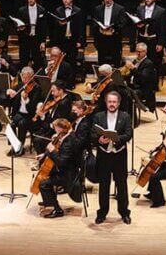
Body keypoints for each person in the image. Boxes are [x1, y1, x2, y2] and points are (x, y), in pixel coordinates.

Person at [92, 90, 132, 224]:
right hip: (104, 155)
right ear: (106, 102)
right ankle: (102, 213)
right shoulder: (98, 116)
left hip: (119, 155)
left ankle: (124, 212)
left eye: (114, 102)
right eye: (109, 101)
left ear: (119, 103)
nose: (112, 104)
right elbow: (92, 134)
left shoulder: (125, 116)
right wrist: (99, 139)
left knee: (121, 185)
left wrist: (116, 139)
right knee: (104, 185)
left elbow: (128, 134)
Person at [37, 117, 85, 219]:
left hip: (68, 175)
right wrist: (45, 155)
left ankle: (57, 209)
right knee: (45, 177)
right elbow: (59, 153)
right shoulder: (66, 137)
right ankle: (48, 201)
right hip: (65, 171)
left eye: (55, 128)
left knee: (43, 184)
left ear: (60, 129)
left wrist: (52, 151)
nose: (54, 130)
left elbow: (61, 162)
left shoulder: (68, 142)